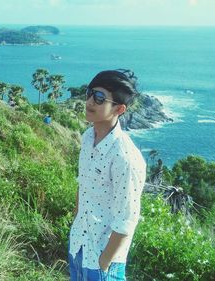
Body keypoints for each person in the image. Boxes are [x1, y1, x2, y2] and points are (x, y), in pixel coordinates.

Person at [68, 69, 146, 281]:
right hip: (78, 245)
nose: (90, 101)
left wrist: (105, 261)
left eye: (100, 98)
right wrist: (75, 222)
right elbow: (82, 184)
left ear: (119, 109)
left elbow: (127, 218)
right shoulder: (87, 138)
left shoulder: (125, 157)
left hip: (102, 260)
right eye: (90, 93)